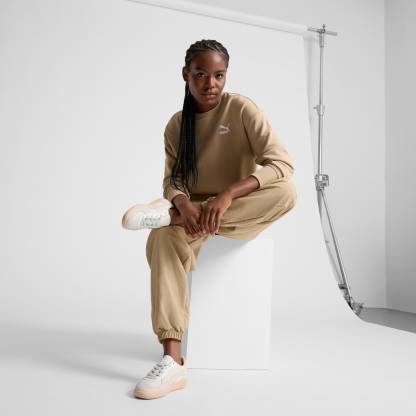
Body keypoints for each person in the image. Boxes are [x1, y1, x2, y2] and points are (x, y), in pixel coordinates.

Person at [121, 39, 297, 400]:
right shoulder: (176, 125)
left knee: (287, 192)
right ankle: (172, 361)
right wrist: (184, 204)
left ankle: (168, 217)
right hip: (192, 214)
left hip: (235, 209)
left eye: (219, 75)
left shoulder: (242, 109)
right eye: (200, 74)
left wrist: (228, 194)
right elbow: (173, 180)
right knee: (161, 239)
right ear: (185, 74)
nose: (210, 83)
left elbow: (281, 163)